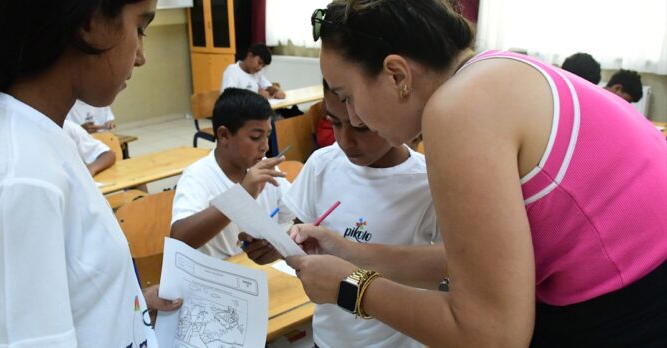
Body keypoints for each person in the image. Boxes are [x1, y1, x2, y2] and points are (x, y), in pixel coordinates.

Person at [286, 1, 667, 347]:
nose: (352, 118)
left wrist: (349, 287)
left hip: (631, 309)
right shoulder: (494, 71)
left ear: (397, 75)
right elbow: (477, 264)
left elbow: (492, 335)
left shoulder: (457, 109)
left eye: (347, 96)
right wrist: (351, 252)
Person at [0, 0, 182, 346]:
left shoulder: (44, 135)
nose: (141, 55)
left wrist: (127, 304)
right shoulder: (19, 176)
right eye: (139, 28)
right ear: (89, 22)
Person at [241, 80, 442, 348]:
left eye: (362, 127)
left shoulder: (428, 181)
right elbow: (299, 235)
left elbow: (448, 272)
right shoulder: (322, 164)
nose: (346, 140)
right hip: (329, 337)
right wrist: (275, 245)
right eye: (335, 122)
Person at [171, 88, 295, 259]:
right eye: (255, 137)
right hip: (219, 277)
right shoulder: (198, 176)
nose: (265, 146)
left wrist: (277, 242)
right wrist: (241, 197)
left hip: (265, 273)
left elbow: (295, 218)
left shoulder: (265, 168)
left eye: (268, 135)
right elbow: (179, 239)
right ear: (223, 135)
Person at [221, 43, 286, 99]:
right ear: (250, 56)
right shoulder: (232, 71)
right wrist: (257, 95)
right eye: (259, 63)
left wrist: (277, 91)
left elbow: (268, 87)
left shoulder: (257, 73)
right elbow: (229, 97)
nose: (260, 68)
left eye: (263, 66)